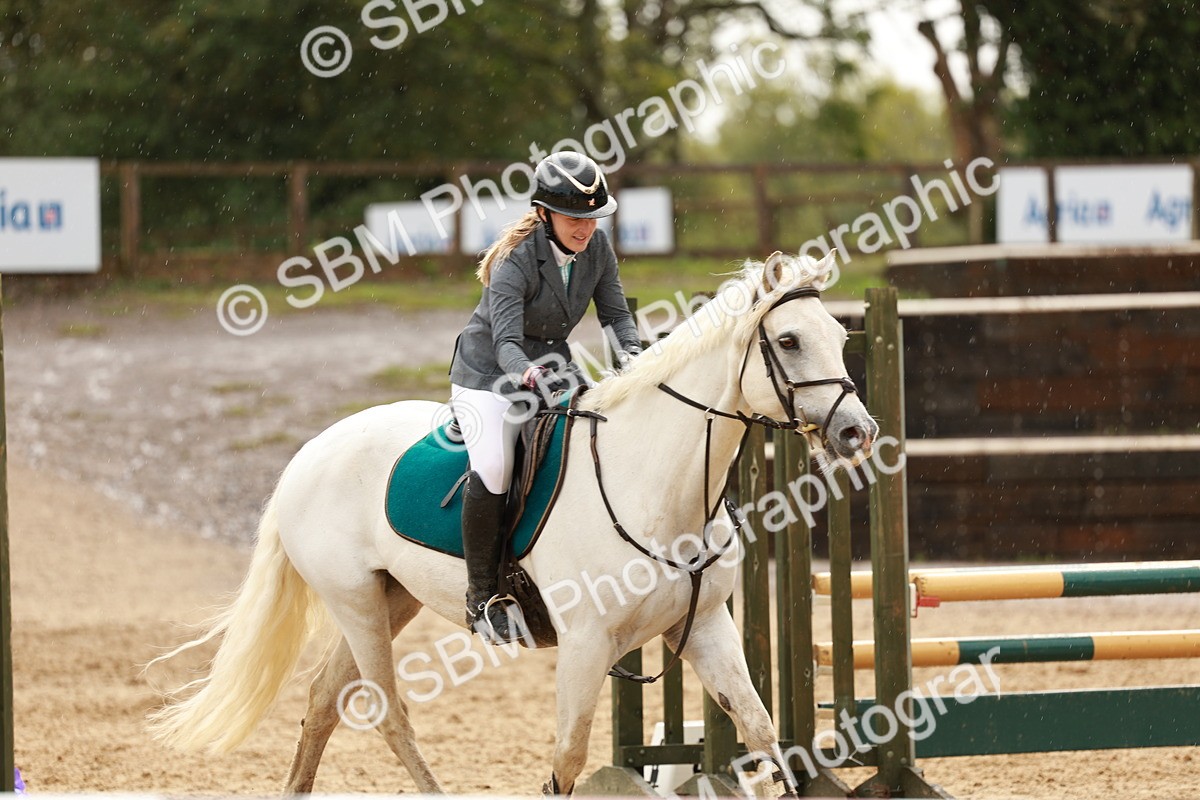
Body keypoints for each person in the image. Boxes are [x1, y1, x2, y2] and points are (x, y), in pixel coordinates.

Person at [448, 151, 642, 642]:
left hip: (552, 367)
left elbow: (616, 317)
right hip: (488, 374)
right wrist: (528, 374)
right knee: (494, 466)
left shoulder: (597, 251)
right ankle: (482, 597)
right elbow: (506, 342)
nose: (586, 228)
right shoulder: (516, 260)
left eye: (593, 218)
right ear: (544, 213)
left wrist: (635, 359)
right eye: (575, 217)